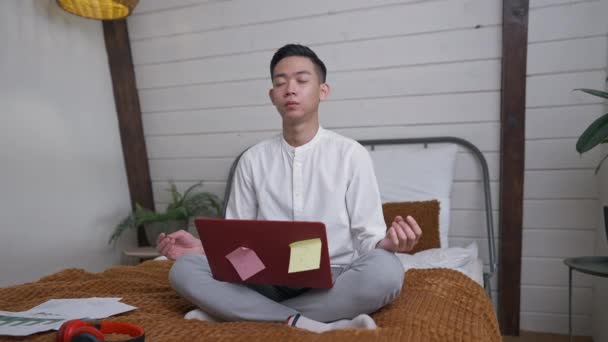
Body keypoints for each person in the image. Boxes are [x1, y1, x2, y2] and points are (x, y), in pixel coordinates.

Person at [157, 43, 422, 333]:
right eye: (280, 83)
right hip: (264, 280)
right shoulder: (252, 160)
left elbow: (368, 238)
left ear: (323, 90)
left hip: (334, 281)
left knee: (386, 270)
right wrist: (203, 250)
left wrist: (391, 244)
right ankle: (306, 322)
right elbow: (237, 244)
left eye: (302, 80)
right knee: (183, 270)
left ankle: (242, 313)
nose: (290, 89)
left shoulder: (351, 154)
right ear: (272, 96)